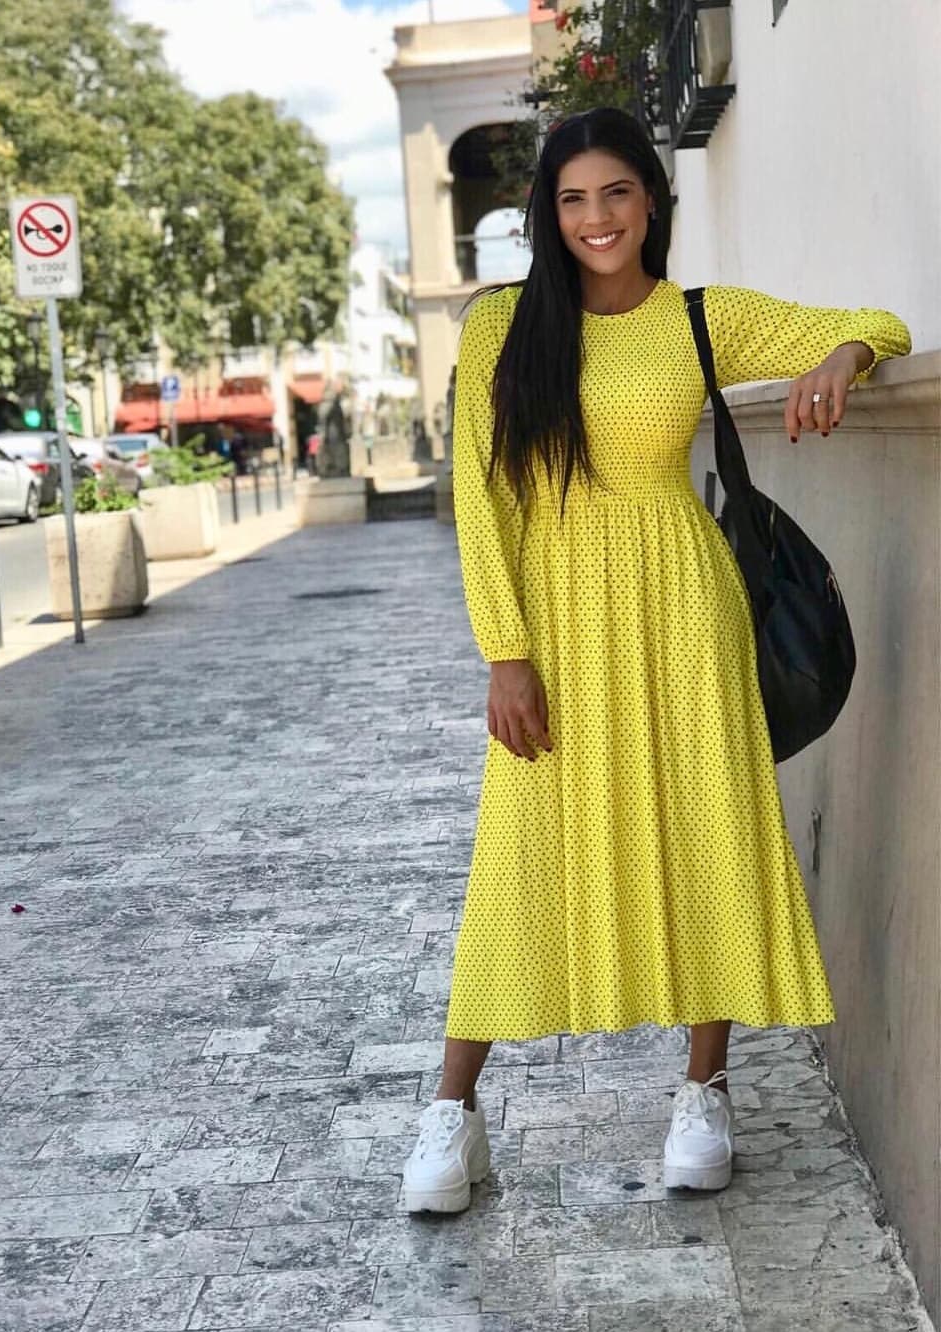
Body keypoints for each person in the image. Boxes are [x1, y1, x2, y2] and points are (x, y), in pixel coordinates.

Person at [400, 106, 911, 1214]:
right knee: (520, 856)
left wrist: (843, 355)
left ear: (652, 202)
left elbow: (879, 318)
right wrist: (506, 652)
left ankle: (704, 1091)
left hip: (687, 607)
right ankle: (453, 1115)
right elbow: (482, 507)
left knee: (707, 831)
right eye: (573, 198)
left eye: (617, 193)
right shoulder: (501, 331)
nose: (597, 218)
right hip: (555, 624)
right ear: (549, 213)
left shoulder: (696, 319)